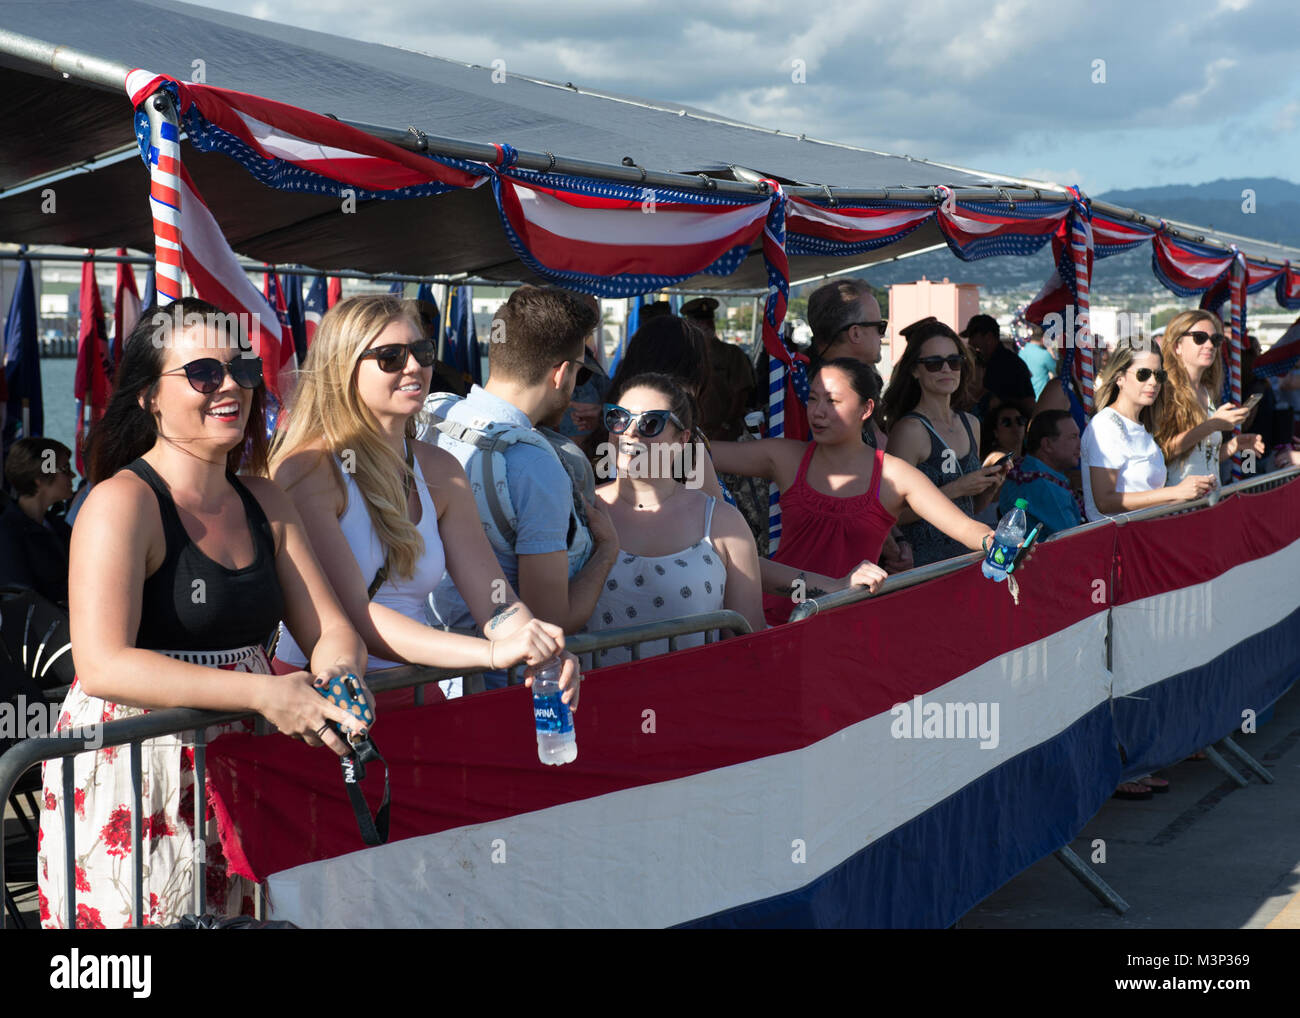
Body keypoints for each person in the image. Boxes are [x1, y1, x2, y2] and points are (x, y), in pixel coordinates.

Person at [38, 298, 370, 929]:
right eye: (202, 374)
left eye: (241, 371)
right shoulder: (120, 503)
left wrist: (343, 676)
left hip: (245, 766)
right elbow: (103, 664)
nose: (230, 388)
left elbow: (329, 629)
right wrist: (263, 692)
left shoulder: (265, 498)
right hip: (141, 771)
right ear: (148, 399)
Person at [268, 295, 580, 701]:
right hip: (327, 698)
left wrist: (538, 645)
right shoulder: (309, 469)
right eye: (391, 357)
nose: (414, 366)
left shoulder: (440, 468)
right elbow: (354, 615)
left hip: (413, 689)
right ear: (343, 368)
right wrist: (492, 653)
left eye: (422, 351)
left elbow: (495, 600)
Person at [711, 358, 1000, 626]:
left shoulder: (894, 475)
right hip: (781, 624)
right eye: (812, 399)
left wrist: (1002, 545)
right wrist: (670, 432)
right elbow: (694, 455)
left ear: (867, 409)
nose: (818, 411)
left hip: (849, 629)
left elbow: (966, 528)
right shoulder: (785, 458)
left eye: (832, 400)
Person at [424, 286, 621, 668]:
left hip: (428, 663)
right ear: (562, 374)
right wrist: (607, 552)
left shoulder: (437, 415)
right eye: (579, 371)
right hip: (499, 685)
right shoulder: (534, 463)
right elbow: (550, 622)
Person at [587, 373, 764, 663]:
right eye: (619, 418)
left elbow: (748, 645)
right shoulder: (581, 510)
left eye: (650, 422)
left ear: (682, 439)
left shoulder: (722, 522)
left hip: (694, 701)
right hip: (596, 704)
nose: (630, 432)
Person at [881, 318, 1009, 568]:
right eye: (934, 364)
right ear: (915, 370)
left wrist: (991, 483)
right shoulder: (910, 430)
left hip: (966, 561)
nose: (946, 370)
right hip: (922, 568)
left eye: (954, 361)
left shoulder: (971, 423)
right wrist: (958, 487)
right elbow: (890, 517)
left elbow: (970, 508)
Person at [1080, 337, 1215, 521]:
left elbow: (1147, 495)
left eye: (1159, 375)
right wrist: (1175, 492)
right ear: (1120, 378)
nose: (1153, 382)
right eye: (1143, 374)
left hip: (1144, 534)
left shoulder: (1142, 425)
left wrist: (1192, 492)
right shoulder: (1106, 425)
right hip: (1117, 542)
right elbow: (1104, 501)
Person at [1152, 310, 1264, 491]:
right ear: (1177, 346)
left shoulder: (1207, 390)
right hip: (1177, 504)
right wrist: (1211, 425)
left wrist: (1233, 446)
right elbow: (1160, 453)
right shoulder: (1164, 390)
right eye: (1199, 337)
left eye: (1215, 339)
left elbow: (1203, 458)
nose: (1209, 345)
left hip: (1209, 499)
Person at [0, 437, 75, 605]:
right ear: (40, 478)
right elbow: (18, 599)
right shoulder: (8, 534)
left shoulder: (58, 527)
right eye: (65, 469)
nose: (73, 475)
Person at [682, 296, 758, 442]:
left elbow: (741, 393)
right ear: (690, 323)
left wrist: (726, 426)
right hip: (691, 432)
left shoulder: (732, 354)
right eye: (699, 321)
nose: (705, 324)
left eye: (708, 320)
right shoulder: (685, 356)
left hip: (724, 433)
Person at [998, 410, 1083, 537]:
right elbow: (1074, 540)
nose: (1080, 444)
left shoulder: (1024, 471)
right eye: (1073, 437)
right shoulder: (1045, 487)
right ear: (1047, 444)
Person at [961, 313, 1035, 423]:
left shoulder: (1006, 364)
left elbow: (1029, 404)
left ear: (989, 337)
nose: (970, 342)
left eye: (972, 337)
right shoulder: (1003, 361)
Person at [1018, 325, 1056, 399]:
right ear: (1043, 339)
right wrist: (1051, 352)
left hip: (1026, 398)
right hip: (1041, 399)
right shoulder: (1044, 354)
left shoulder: (1021, 352)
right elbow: (1058, 371)